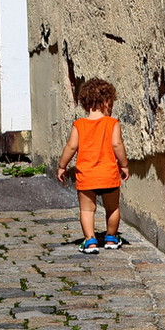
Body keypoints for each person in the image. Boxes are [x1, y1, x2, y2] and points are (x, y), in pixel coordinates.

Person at [56, 77, 129, 254]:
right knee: (112, 208)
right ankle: (111, 237)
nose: (111, 108)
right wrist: (124, 164)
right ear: (105, 102)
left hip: (86, 176)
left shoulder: (79, 125)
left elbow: (71, 146)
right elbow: (117, 145)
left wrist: (62, 166)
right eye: (110, 103)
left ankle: (90, 241)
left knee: (87, 210)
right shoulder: (112, 123)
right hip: (108, 174)